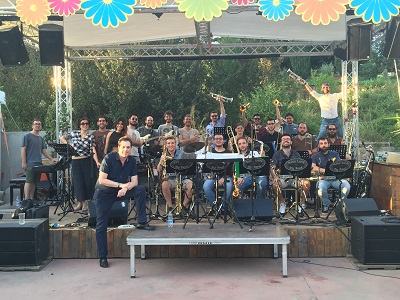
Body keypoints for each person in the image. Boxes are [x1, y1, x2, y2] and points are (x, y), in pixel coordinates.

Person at [94, 137, 155, 268]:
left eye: (128, 147)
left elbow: (135, 182)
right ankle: (103, 257)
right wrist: (121, 185)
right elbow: (102, 180)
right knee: (101, 224)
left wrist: (125, 188)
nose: (126, 150)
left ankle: (142, 222)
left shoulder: (131, 161)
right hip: (104, 193)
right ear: (118, 146)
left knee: (139, 190)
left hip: (121, 190)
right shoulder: (109, 158)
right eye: (123, 147)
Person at [60, 117, 98, 213]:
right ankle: (79, 203)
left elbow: (93, 150)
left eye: (86, 123)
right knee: (77, 182)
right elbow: (62, 137)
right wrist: (68, 145)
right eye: (82, 123)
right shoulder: (74, 134)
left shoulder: (90, 137)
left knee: (87, 182)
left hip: (86, 160)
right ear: (79, 125)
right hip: (75, 161)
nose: (84, 125)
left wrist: (97, 161)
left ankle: (85, 204)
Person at [311, 137, 351, 214]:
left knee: (347, 186)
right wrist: (325, 171)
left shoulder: (335, 154)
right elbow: (313, 167)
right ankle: (326, 204)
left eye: (325, 143)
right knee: (320, 189)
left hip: (336, 179)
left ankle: (340, 204)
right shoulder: (315, 156)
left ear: (329, 144)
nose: (323, 145)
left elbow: (339, 165)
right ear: (318, 146)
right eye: (321, 144)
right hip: (323, 179)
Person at [270, 134, 307, 215]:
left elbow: (301, 166)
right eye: (284, 139)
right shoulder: (276, 154)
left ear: (291, 142)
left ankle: (302, 205)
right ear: (281, 143)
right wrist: (275, 177)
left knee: (306, 183)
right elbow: (272, 168)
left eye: (288, 139)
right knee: (275, 185)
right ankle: (282, 203)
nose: (286, 140)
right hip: (282, 179)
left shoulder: (296, 154)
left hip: (295, 178)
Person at [21, 119, 57, 200]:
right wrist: (24, 162)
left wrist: (51, 159)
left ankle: (31, 199)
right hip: (30, 163)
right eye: (36, 124)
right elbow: (23, 149)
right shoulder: (27, 137)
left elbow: (43, 150)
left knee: (34, 183)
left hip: (38, 163)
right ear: (32, 126)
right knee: (29, 181)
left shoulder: (40, 139)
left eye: (39, 124)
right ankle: (26, 200)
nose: (37, 125)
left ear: (41, 126)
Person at [157, 136, 193, 215]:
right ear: (166, 145)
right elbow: (159, 170)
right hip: (170, 179)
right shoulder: (164, 154)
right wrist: (161, 160)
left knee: (192, 186)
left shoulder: (182, 153)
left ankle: (183, 207)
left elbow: (188, 166)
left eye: (172, 143)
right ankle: (170, 207)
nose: (171, 145)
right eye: (169, 143)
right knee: (164, 185)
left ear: (175, 144)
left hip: (182, 178)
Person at [202, 134, 233, 214]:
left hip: (225, 176)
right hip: (212, 176)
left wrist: (224, 178)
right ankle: (215, 208)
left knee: (229, 186)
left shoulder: (229, 153)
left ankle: (223, 208)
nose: (218, 140)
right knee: (206, 186)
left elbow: (230, 169)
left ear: (223, 141)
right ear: (213, 141)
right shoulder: (209, 152)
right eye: (216, 139)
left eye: (220, 139)